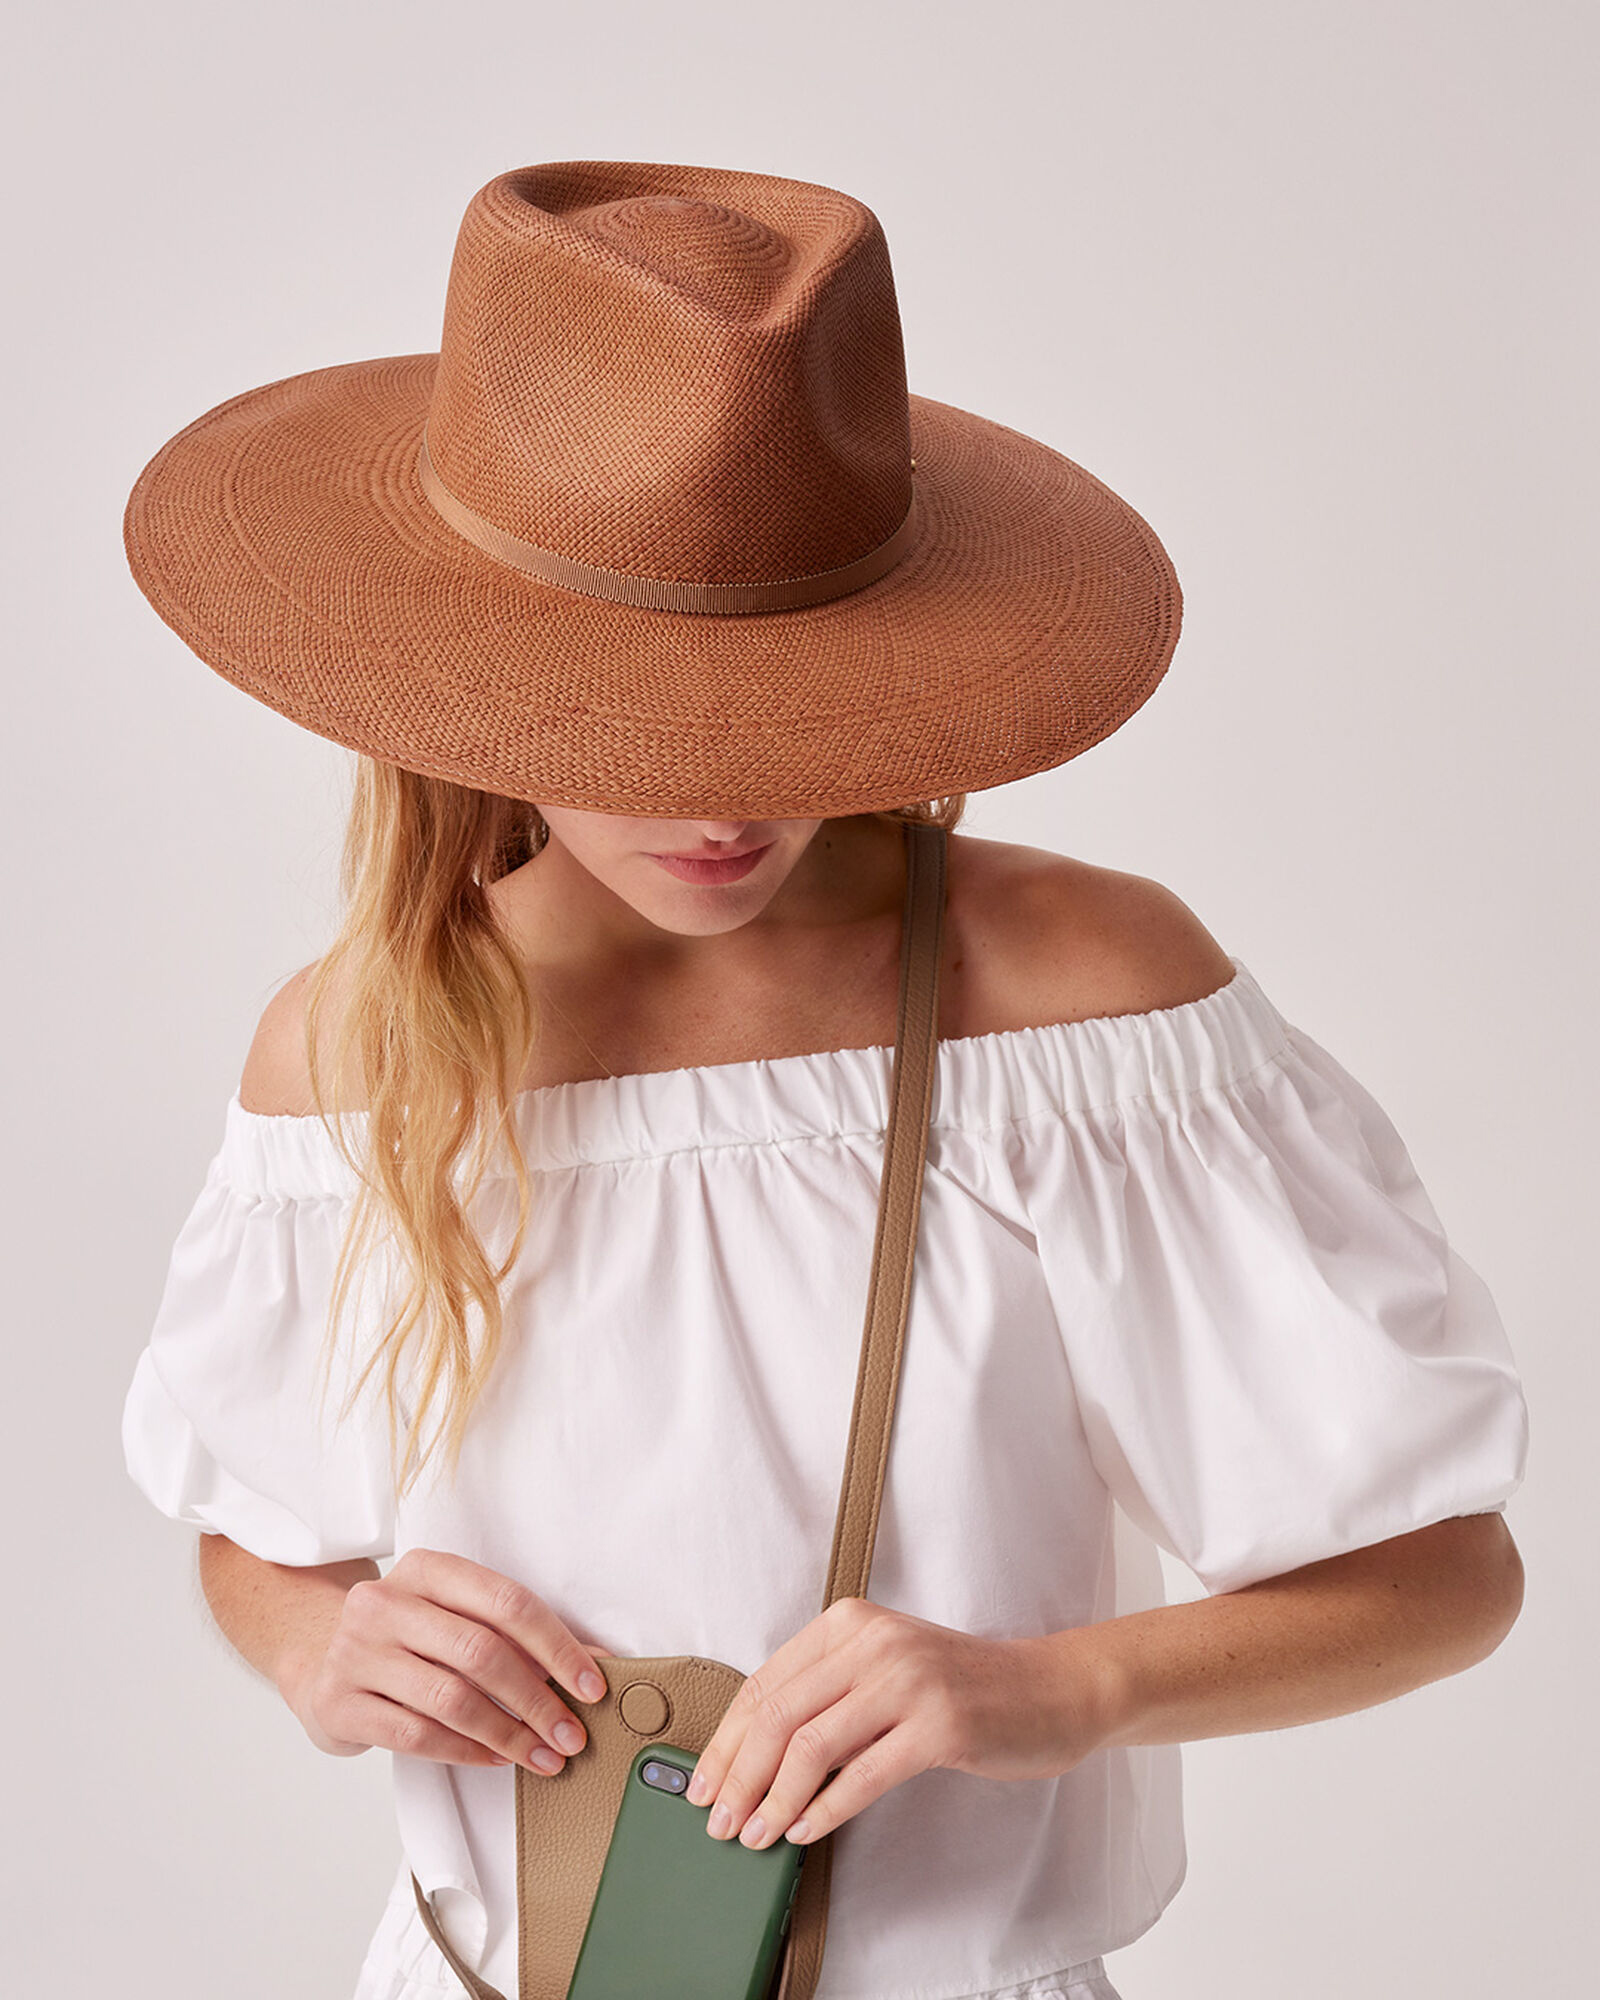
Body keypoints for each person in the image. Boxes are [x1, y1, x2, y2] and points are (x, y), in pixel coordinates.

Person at [119, 160, 1529, 2000]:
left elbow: (1443, 1574)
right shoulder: (358, 1053)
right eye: (638, 725)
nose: (725, 807)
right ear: (470, 691)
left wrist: (1053, 1688)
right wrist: (320, 1647)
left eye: (798, 709)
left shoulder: (1077, 1011)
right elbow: (254, 1522)